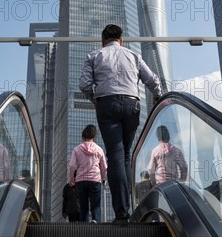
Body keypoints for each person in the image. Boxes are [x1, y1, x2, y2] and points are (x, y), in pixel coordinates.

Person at [79, 24, 161, 223]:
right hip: (132, 105)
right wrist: (158, 96)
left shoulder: (94, 56)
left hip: (107, 104)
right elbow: (152, 80)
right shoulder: (133, 55)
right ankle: (129, 208)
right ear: (121, 39)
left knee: (115, 156)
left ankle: (122, 214)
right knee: (125, 155)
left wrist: (95, 99)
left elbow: (83, 84)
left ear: (102, 40)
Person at [68, 124, 108, 223]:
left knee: (83, 208)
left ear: (83, 137)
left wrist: (71, 180)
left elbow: (72, 166)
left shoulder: (76, 149)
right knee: (96, 206)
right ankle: (96, 221)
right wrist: (103, 179)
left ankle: (84, 228)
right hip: (95, 180)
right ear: (94, 136)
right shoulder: (99, 149)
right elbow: (104, 167)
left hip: (81, 181)